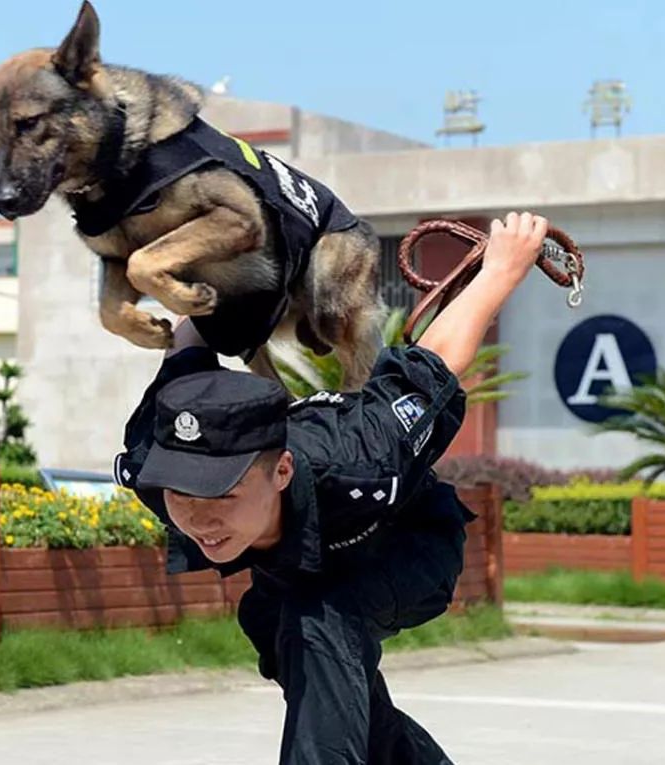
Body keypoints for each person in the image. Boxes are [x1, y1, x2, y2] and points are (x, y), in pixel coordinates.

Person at [113, 212, 548, 764]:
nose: (199, 518)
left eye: (221, 494)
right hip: (299, 574)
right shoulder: (155, 457)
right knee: (303, 653)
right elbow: (188, 353)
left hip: (406, 546)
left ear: (282, 470)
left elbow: (432, 363)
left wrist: (501, 269)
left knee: (319, 623)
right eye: (184, 496)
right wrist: (220, 283)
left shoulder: (362, 454)